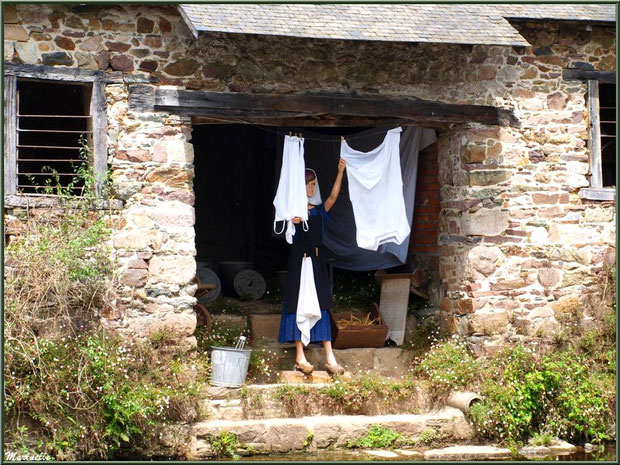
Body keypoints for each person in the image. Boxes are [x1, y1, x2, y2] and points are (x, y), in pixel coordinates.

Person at [278, 158, 347, 375]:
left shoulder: (318, 211)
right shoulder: (292, 212)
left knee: (321, 304)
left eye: (313, 184)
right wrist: (292, 220)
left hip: (316, 264)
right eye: (308, 184)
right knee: (297, 305)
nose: (311, 187)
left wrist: (340, 172)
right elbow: (282, 220)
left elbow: (333, 197)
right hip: (299, 264)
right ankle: (300, 357)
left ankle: (330, 358)